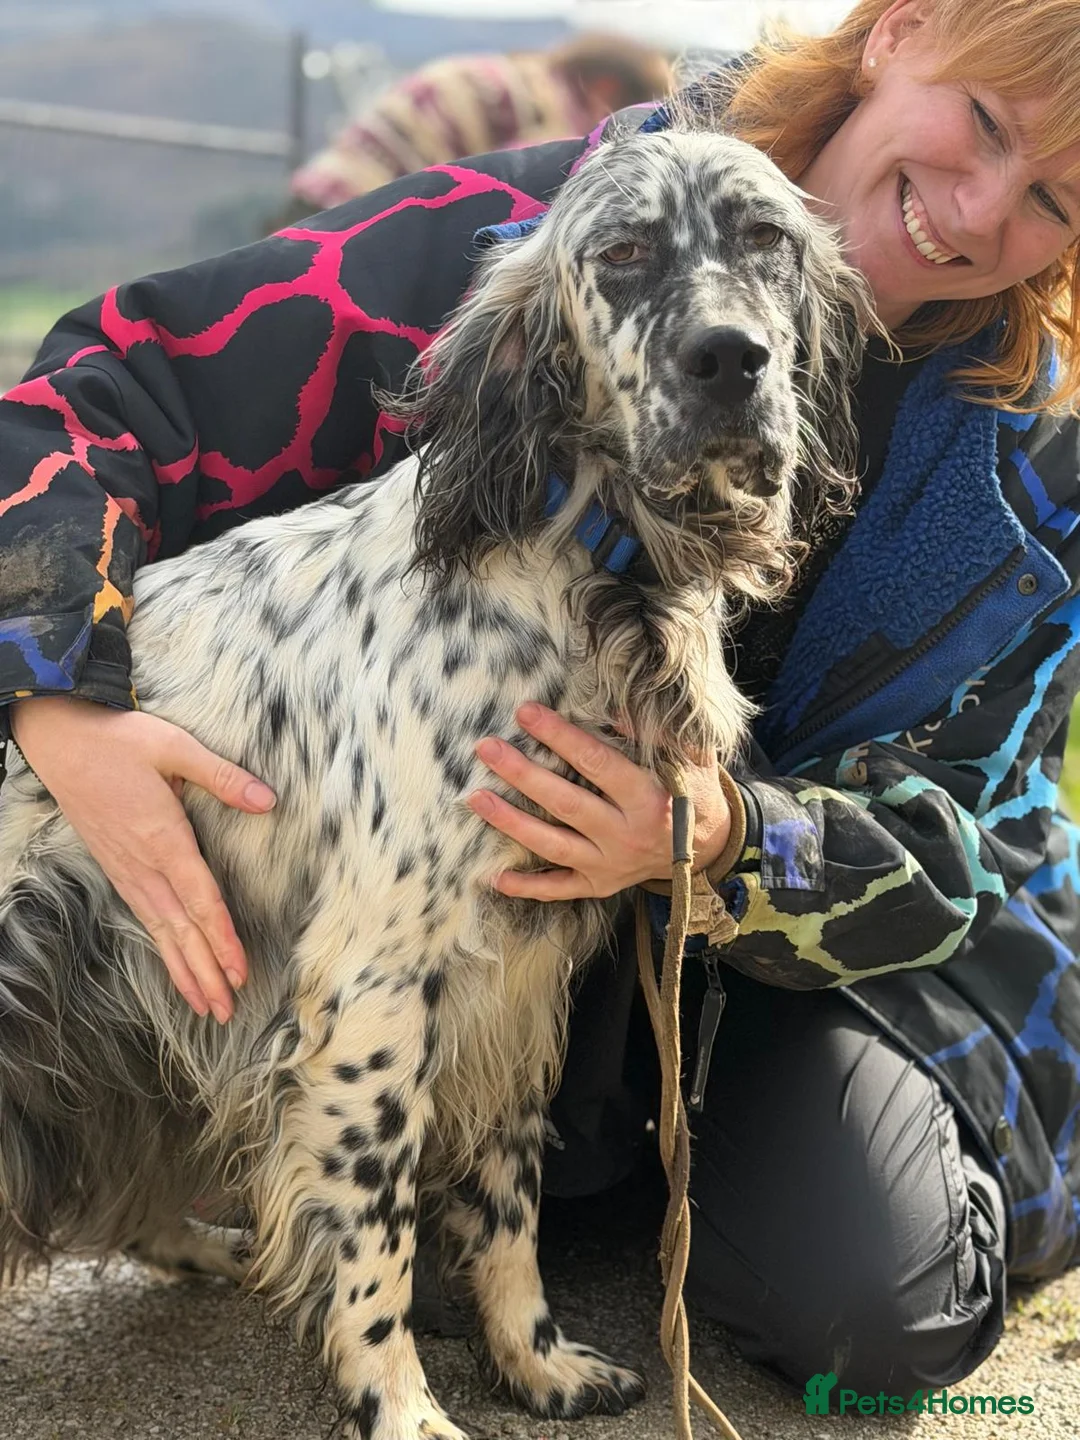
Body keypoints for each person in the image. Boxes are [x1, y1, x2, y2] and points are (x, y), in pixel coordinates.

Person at [2, 0, 1079, 1400]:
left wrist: (718, 843)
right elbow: (77, 402)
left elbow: (974, 846)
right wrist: (60, 704)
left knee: (873, 1304)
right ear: (897, 32)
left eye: (1054, 192)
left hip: (828, 972)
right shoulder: (510, 240)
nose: (978, 209)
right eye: (984, 124)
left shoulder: (1034, 458)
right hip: (460, 943)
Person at [287, 31, 674, 214]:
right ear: (606, 88)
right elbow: (521, 193)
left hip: (320, 194)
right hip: (356, 211)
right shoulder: (552, 111)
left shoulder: (522, 76)